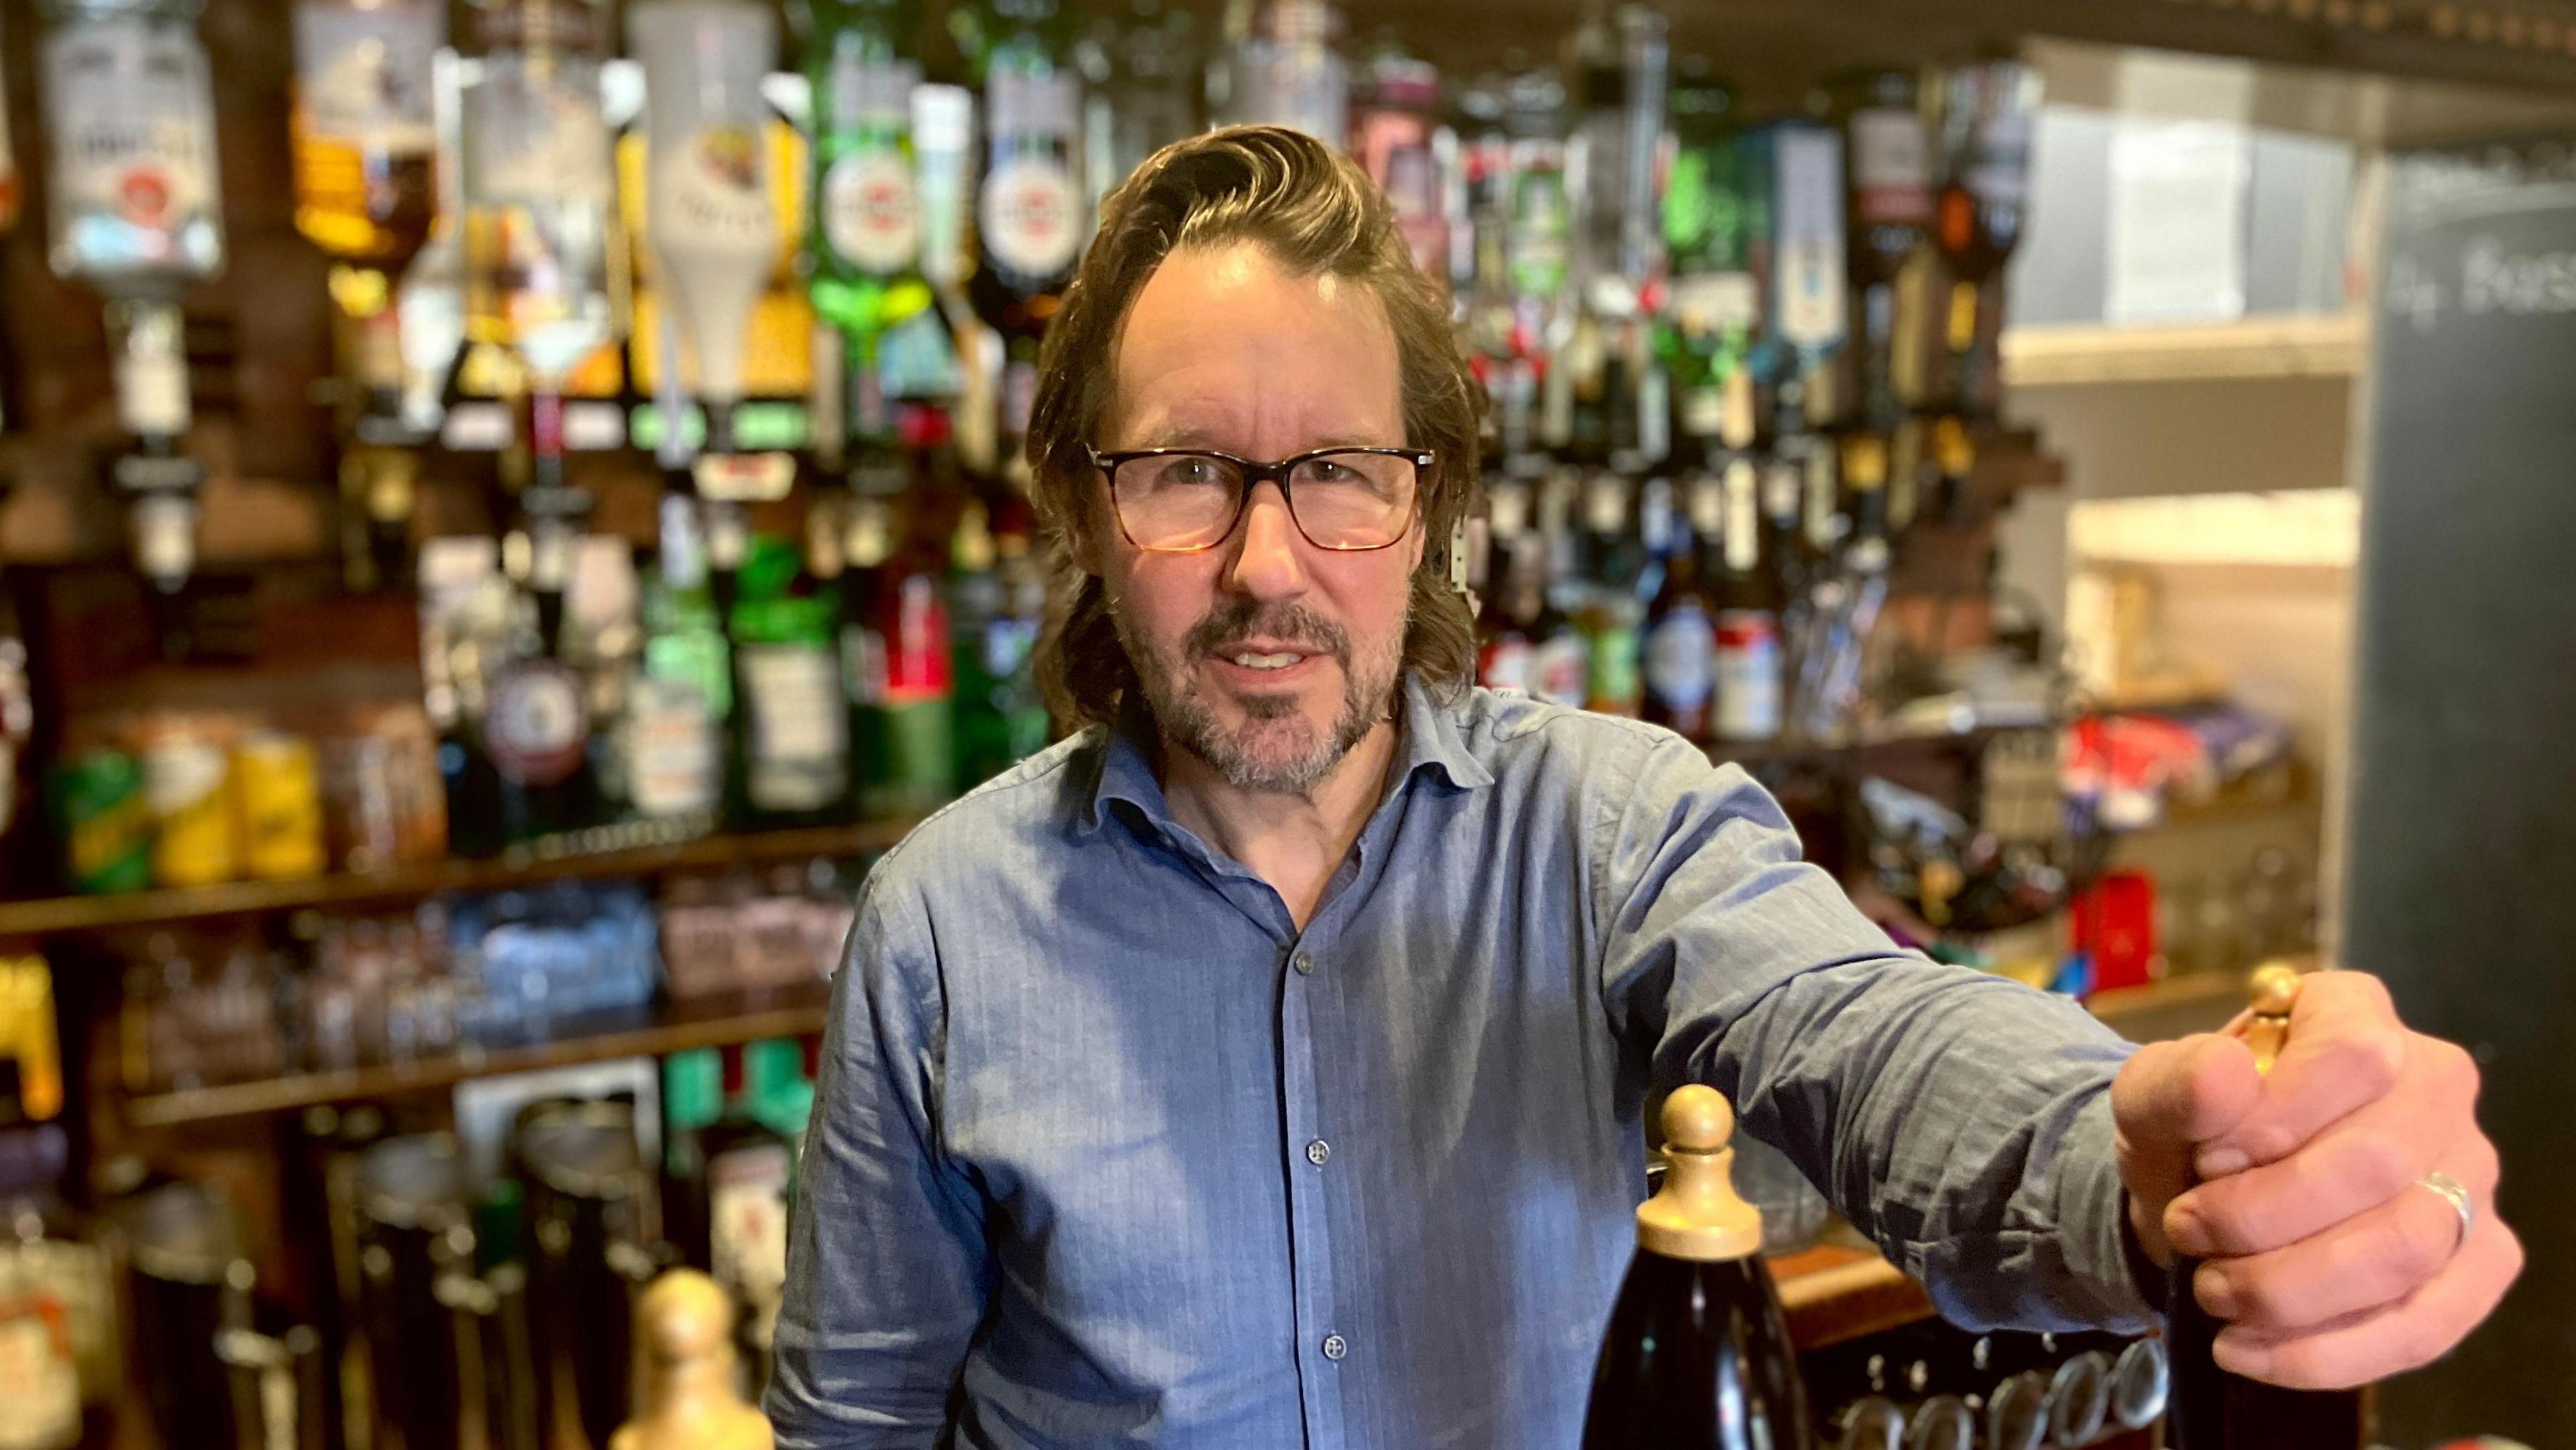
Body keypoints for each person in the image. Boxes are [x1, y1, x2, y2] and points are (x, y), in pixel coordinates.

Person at [767, 127, 2517, 1449]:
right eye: (1185, 473)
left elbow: (1864, 1031)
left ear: (1430, 502)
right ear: (1084, 513)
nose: (1264, 563)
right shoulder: (941, 928)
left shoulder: (1609, 831)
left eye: (1342, 475)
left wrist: (2137, 1153)